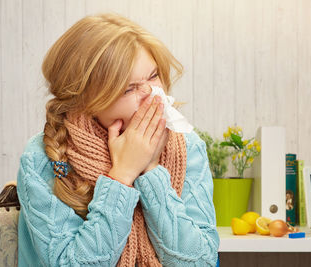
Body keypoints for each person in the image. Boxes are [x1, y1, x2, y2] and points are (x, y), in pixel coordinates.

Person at [17, 13, 220, 267]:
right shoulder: (43, 158)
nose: (151, 96)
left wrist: (151, 169)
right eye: (128, 89)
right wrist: (122, 175)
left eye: (153, 76)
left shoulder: (188, 147)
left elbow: (200, 262)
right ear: (85, 100)